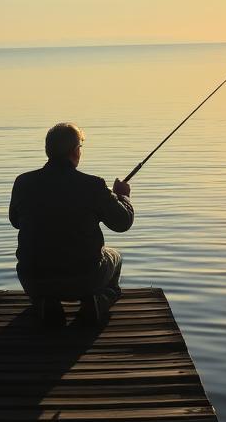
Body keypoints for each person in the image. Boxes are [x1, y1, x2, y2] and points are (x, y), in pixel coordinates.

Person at [9, 122, 134, 326]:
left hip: (34, 279)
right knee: (116, 257)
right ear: (75, 151)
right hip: (84, 279)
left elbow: (15, 221)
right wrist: (122, 196)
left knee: (42, 275)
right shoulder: (93, 185)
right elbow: (123, 223)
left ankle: (45, 303)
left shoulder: (23, 183)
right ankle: (98, 301)